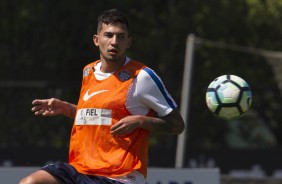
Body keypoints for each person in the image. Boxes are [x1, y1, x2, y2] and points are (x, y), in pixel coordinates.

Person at [19, 8, 185, 184]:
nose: (114, 42)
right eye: (108, 35)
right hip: (81, 170)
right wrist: (67, 108)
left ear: (128, 42)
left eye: (121, 37)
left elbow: (177, 125)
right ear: (96, 40)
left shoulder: (142, 76)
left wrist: (140, 121)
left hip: (120, 177)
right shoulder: (88, 71)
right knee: (31, 182)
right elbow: (103, 117)